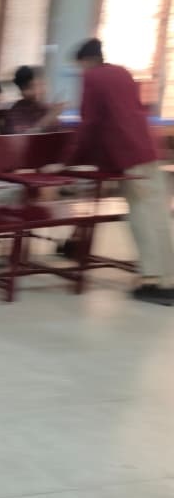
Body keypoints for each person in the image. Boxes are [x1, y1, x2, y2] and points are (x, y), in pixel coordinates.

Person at [73, 39, 174, 305]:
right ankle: (168, 279)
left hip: (129, 155)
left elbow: (90, 123)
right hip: (150, 149)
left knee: (141, 217)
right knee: (159, 217)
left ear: (86, 61)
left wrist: (69, 160)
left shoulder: (93, 77)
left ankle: (153, 281)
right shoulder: (122, 73)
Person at [3, 66, 61, 135]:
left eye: (43, 84)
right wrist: (48, 119)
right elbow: (24, 138)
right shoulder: (15, 114)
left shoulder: (47, 108)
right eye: (36, 86)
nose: (42, 90)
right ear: (23, 91)